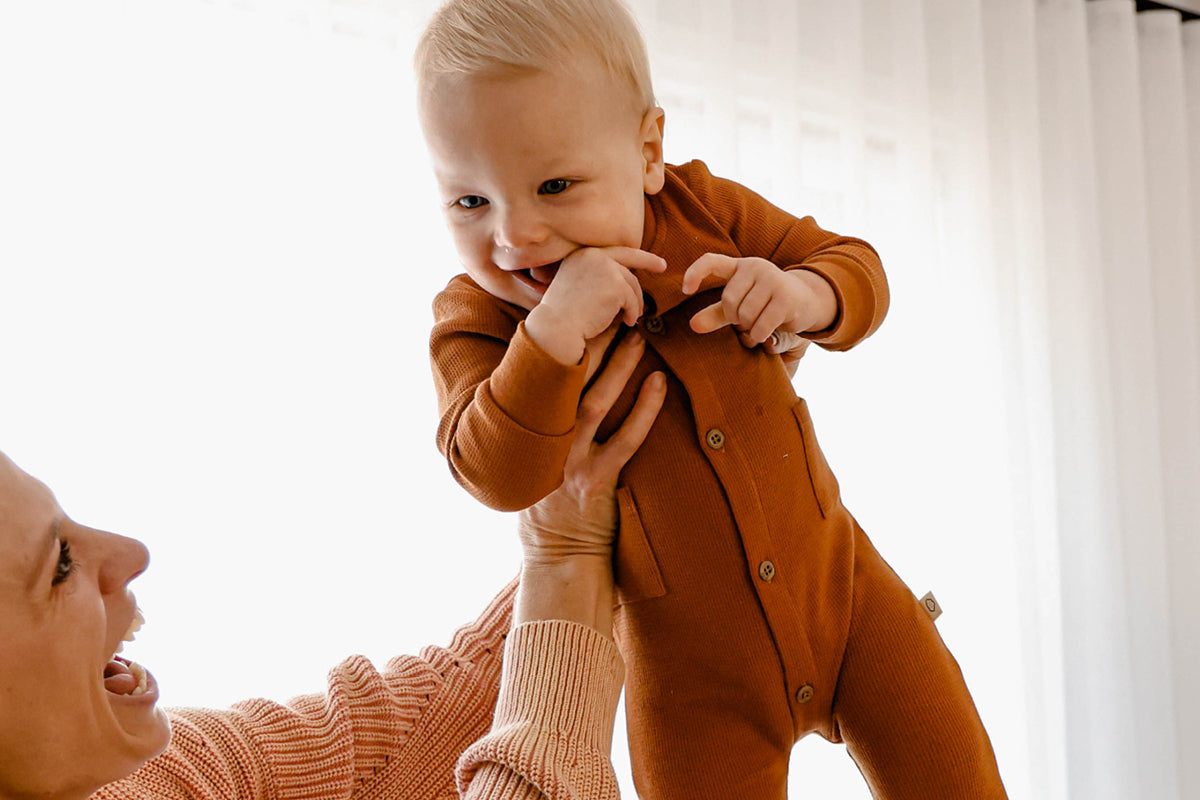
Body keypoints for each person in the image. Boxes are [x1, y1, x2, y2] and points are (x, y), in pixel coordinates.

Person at [414, 0, 1008, 797]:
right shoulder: (477, 319)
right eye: (470, 202)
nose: (515, 235)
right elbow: (493, 472)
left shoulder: (703, 209)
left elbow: (853, 265)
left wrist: (803, 296)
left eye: (555, 184)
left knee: (959, 777)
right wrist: (549, 336)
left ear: (649, 152)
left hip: (850, 600)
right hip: (691, 681)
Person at [0, 333, 664, 800]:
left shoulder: (151, 776)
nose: (131, 554)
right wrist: (565, 556)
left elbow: (404, 738)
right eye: (58, 566)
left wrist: (620, 482)